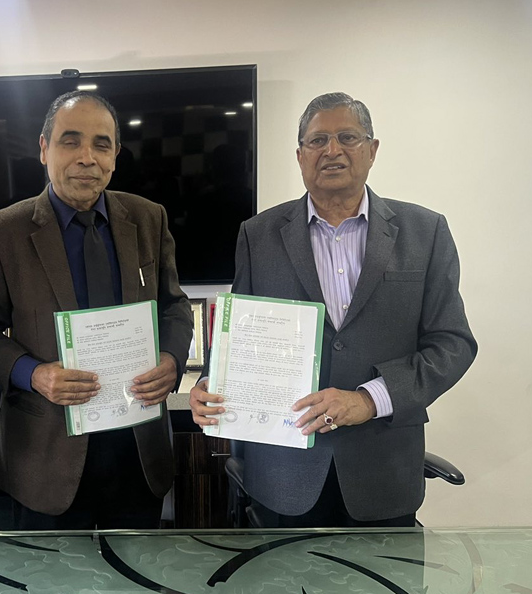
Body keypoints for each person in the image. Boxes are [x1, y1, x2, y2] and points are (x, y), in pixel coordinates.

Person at [190, 93, 477, 527]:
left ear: (372, 150)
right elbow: (241, 336)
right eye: (317, 140)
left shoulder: (425, 231)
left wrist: (369, 398)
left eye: (347, 137)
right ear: (300, 156)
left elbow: (453, 344)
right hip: (284, 474)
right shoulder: (258, 234)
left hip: (383, 471)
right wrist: (210, 385)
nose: (332, 150)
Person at [0, 91, 192, 529]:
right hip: (45, 458)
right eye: (71, 141)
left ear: (115, 156)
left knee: (135, 567)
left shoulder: (148, 218)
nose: (87, 157)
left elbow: (174, 305)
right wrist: (34, 374)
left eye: (101, 144)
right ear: (44, 148)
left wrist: (172, 358)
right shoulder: (2, 232)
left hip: (137, 449)